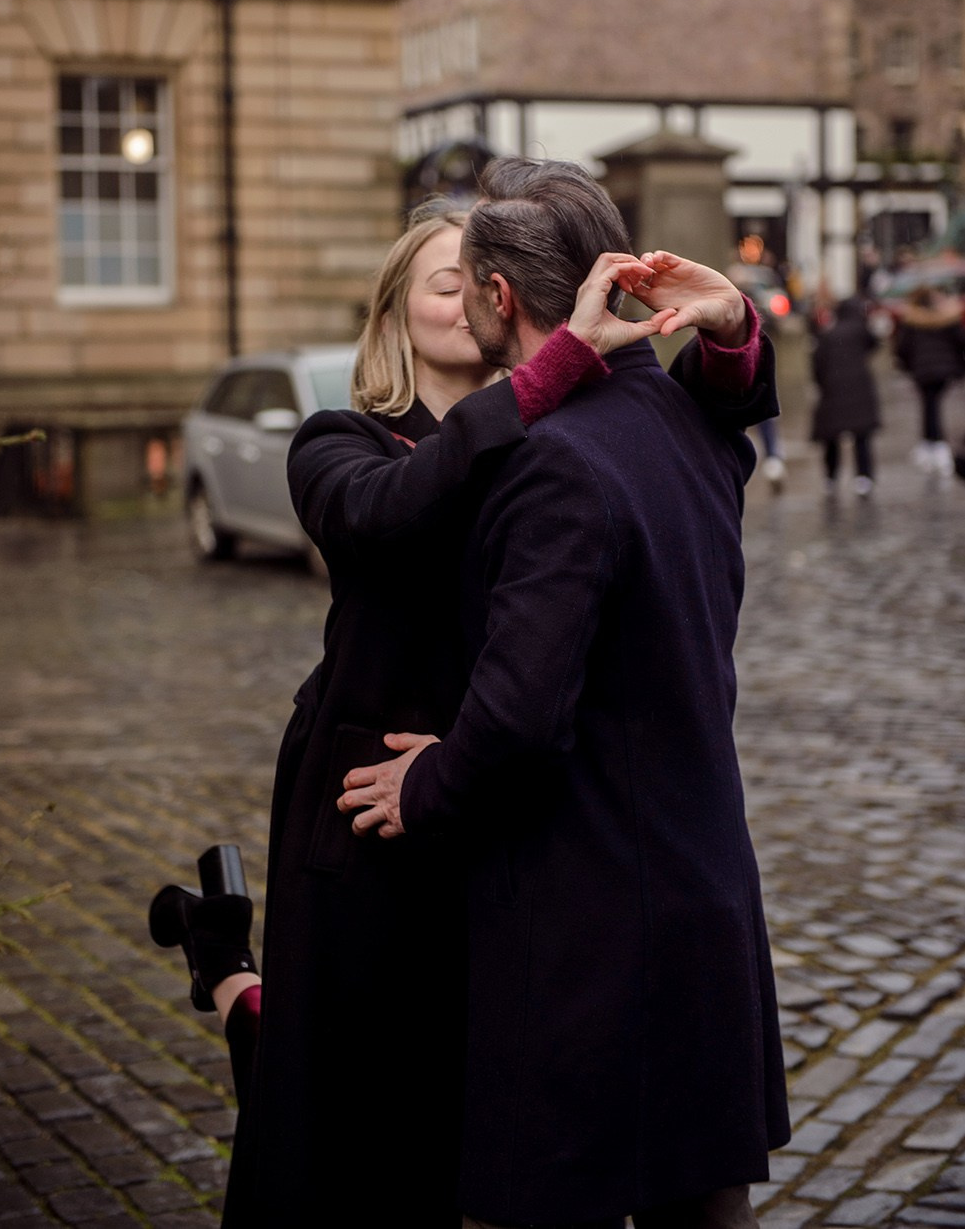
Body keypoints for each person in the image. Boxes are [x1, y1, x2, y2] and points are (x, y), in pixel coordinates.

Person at [151, 192, 780, 1228]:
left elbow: (699, 433)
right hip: (375, 810)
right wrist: (549, 371)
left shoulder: (560, 436)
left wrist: (723, 334)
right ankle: (224, 966)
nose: (462, 298)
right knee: (344, 1094)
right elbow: (386, 515)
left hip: (498, 811)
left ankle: (222, 956)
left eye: (471, 281)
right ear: (395, 313)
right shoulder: (339, 440)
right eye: (439, 282)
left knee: (479, 1105)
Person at [338, 159, 789, 1229]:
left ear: (499, 298)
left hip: (588, 928)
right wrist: (727, 332)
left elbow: (523, 710)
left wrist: (429, 779)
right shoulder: (691, 429)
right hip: (702, 893)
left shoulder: (555, 462)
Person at [809, 296, 881, 497]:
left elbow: (817, 364)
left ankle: (831, 477)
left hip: (833, 389)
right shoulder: (860, 331)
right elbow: (875, 344)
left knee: (831, 437)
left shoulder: (827, 334)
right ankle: (864, 476)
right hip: (859, 389)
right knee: (862, 435)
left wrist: (821, 384)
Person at [894, 286, 965, 479]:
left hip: (922, 371)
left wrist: (906, 366)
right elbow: (960, 341)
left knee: (929, 404)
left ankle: (932, 442)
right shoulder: (947, 319)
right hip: (943, 370)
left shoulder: (912, 322)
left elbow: (902, 347)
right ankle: (934, 442)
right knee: (932, 404)